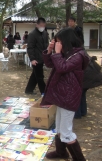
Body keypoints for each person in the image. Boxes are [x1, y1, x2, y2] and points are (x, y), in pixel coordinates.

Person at [41, 28, 88, 161]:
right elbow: (51, 64)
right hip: (62, 95)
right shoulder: (67, 53)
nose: (57, 44)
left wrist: (56, 53)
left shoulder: (78, 55)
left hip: (69, 96)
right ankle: (61, 152)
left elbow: (62, 67)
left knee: (66, 132)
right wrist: (50, 51)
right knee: (59, 127)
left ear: (66, 41)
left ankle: (79, 159)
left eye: (59, 41)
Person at [25, 18, 49, 95]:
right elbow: (30, 47)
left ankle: (29, 90)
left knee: (35, 75)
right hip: (36, 58)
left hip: (43, 57)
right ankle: (44, 92)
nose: (42, 27)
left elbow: (46, 45)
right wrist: (32, 59)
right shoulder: (32, 34)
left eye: (44, 26)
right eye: (41, 26)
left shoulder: (45, 33)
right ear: (37, 25)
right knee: (40, 76)